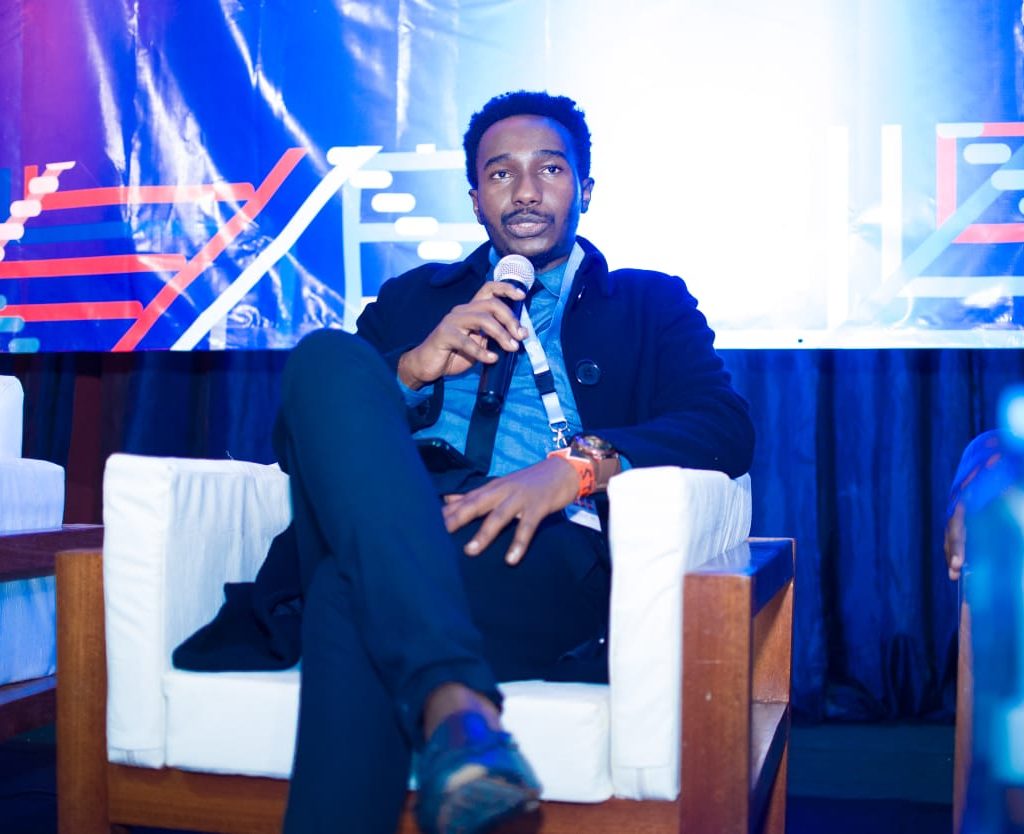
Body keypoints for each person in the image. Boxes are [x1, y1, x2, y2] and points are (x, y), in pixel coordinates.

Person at [181, 90, 755, 834]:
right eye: (501, 173)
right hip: (392, 511)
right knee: (327, 357)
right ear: (476, 198)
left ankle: (451, 706)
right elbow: (298, 446)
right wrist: (412, 369)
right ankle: (461, 710)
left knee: (344, 594)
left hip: (532, 548)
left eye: (550, 169)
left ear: (585, 189)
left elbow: (722, 426)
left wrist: (575, 468)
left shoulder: (649, 304)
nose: (526, 190)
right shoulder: (411, 299)